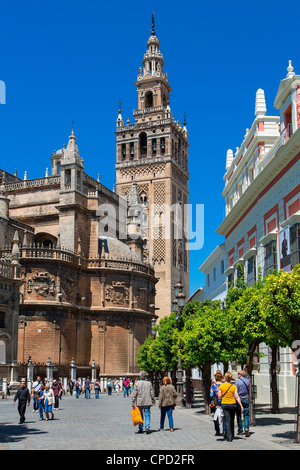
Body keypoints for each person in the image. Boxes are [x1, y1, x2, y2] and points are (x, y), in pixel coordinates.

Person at [218, 372, 244, 442]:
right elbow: (237, 396)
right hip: (233, 404)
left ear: (225, 378)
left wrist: (223, 394)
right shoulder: (233, 386)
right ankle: (232, 434)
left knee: (227, 420)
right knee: (232, 419)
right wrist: (241, 405)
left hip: (225, 404)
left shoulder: (221, 386)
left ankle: (229, 437)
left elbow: (219, 396)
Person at [235, 370, 251, 437]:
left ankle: (240, 430)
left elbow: (235, 390)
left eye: (238, 373)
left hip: (239, 399)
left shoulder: (237, 381)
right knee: (246, 414)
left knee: (239, 415)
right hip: (246, 398)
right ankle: (246, 428)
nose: (238, 375)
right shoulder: (248, 381)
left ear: (240, 375)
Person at [210, 371, 225, 436]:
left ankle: (217, 431)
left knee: (215, 416)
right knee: (224, 415)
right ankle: (224, 430)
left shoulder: (213, 385)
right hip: (223, 401)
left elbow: (211, 394)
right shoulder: (223, 385)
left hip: (216, 402)